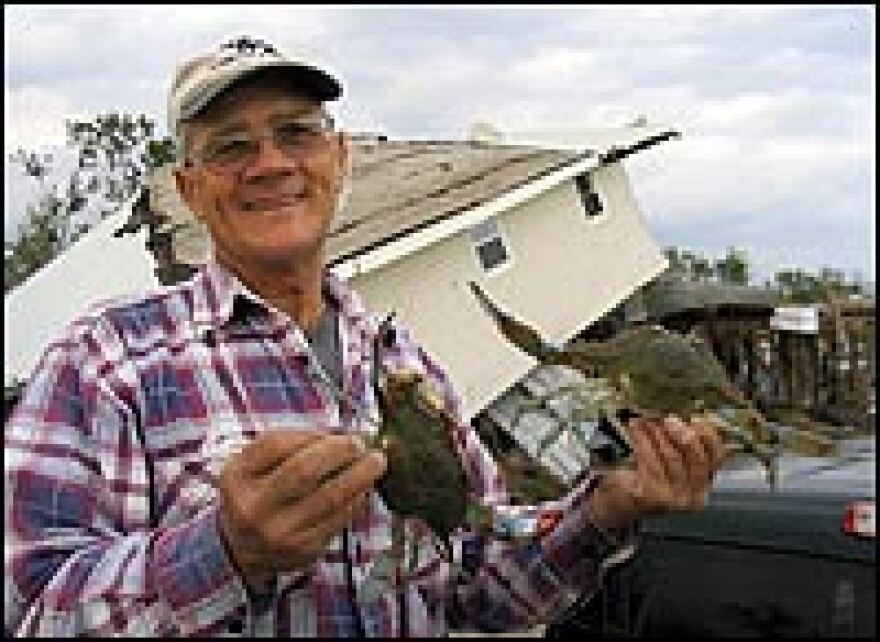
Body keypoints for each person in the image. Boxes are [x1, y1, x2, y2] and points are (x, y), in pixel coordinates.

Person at [5, 36, 727, 637]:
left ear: (339, 159)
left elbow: (477, 579)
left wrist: (607, 507)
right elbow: (32, 615)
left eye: (297, 132)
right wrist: (224, 551)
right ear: (190, 189)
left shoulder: (407, 367)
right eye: (230, 147)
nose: (272, 164)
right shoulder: (104, 362)